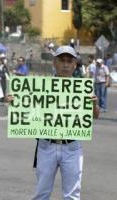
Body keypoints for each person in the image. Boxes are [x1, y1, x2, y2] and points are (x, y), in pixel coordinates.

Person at [31, 46, 99, 200]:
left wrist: (94, 105)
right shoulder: (41, 86)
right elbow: (27, 112)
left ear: (75, 64)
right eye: (62, 60)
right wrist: (15, 102)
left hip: (72, 147)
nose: (66, 64)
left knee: (72, 196)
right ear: (54, 63)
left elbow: (94, 116)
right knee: (41, 194)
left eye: (70, 60)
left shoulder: (83, 88)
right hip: (46, 145)